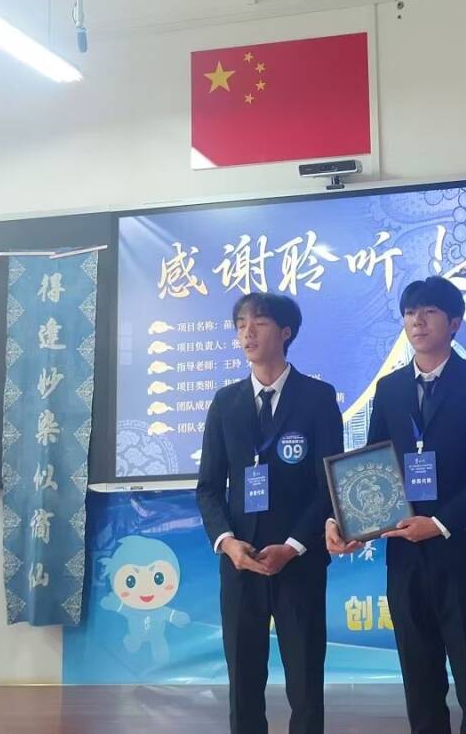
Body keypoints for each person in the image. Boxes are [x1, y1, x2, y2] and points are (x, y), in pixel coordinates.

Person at [327, 276, 466, 734]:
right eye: (410, 313)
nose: (417, 322)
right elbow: (369, 467)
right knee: (419, 677)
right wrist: (349, 522)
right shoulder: (390, 389)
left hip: (462, 553)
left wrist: (441, 523)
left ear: (454, 323)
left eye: (429, 312)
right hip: (405, 556)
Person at [197, 292, 344, 734]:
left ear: (285, 332)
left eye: (258, 322)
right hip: (241, 564)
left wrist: (295, 546)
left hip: (298, 561)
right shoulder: (226, 402)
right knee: (243, 683)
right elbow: (208, 488)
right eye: (241, 324)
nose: (247, 332)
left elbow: (328, 484)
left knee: (305, 681)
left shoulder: (317, 397)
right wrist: (227, 543)